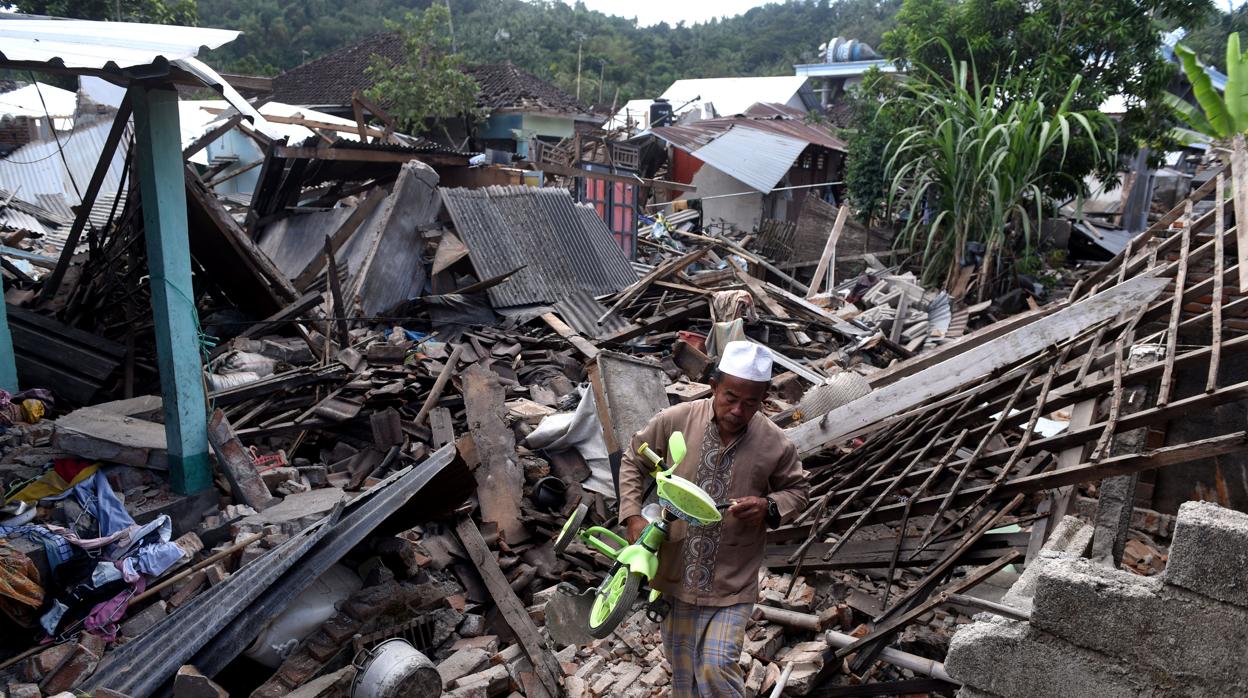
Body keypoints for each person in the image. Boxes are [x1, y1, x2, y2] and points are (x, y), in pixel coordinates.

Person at [617, 340, 810, 697]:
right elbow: (633, 459)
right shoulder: (675, 421)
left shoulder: (776, 444)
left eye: (750, 402)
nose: (738, 410)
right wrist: (631, 515)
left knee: (717, 665)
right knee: (684, 675)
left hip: (732, 581)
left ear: (764, 399)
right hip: (674, 574)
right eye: (730, 397)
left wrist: (768, 506)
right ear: (714, 386)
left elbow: (798, 492)